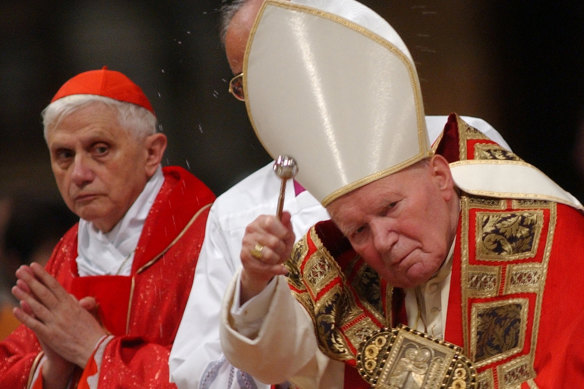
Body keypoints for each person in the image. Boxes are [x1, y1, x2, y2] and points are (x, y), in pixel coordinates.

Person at [217, 1, 584, 388]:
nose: (383, 242)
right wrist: (256, 281)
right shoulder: (340, 263)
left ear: (441, 176)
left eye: (391, 207)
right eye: (358, 230)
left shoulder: (547, 237)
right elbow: (276, 361)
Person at [0, 67, 215, 388]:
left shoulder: (205, 235)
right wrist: (51, 369)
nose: (79, 174)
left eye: (99, 149)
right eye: (64, 155)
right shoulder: (69, 250)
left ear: (152, 152)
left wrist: (95, 349)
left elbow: (224, 372)